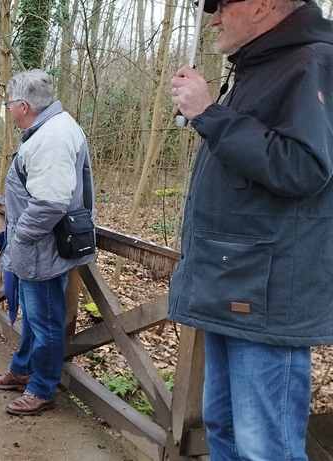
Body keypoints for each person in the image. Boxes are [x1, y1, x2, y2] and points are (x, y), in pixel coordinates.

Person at [168, 1, 333, 458]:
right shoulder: (260, 67)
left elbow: (303, 167)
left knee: (265, 446)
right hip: (232, 280)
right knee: (222, 427)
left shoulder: (312, 62)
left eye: (220, 5)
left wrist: (209, 113)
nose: (213, 18)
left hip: (266, 295)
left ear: (261, 5)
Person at [0, 69, 95, 416]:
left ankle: (42, 388)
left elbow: (50, 203)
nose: (8, 110)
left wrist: (21, 237)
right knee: (34, 316)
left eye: (9, 104)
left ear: (23, 106)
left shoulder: (52, 137)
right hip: (39, 246)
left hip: (42, 247)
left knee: (45, 320)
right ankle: (22, 369)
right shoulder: (50, 127)